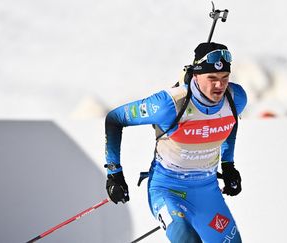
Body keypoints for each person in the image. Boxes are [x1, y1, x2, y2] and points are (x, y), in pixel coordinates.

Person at [104, 42, 247, 242]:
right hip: (167, 189)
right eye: (212, 78)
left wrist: (228, 164)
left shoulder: (235, 98)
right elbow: (115, 119)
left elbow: (230, 121)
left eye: (224, 78)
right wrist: (114, 173)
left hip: (207, 191)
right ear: (196, 75)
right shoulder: (168, 104)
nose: (219, 86)